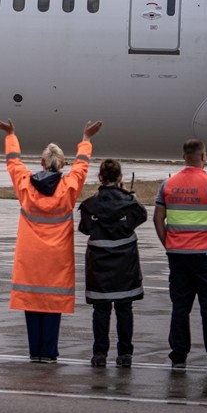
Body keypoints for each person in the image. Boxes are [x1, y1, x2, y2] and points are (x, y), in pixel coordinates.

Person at [0, 118, 101, 363]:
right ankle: (49, 351)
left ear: (42, 163)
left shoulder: (25, 184)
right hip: (57, 257)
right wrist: (86, 139)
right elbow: (81, 167)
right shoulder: (68, 187)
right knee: (53, 306)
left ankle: (35, 353)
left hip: (30, 256)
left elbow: (13, 162)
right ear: (62, 164)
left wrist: (11, 134)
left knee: (32, 304)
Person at [154, 138, 207, 372]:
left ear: (183, 157)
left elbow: (158, 218)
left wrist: (168, 243)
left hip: (178, 256)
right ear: (203, 157)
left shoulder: (168, 185)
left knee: (180, 308)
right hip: (206, 256)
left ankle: (178, 356)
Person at [77, 158, 147, 368]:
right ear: (120, 178)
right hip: (125, 266)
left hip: (99, 267)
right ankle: (125, 354)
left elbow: (85, 228)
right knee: (125, 309)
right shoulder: (130, 204)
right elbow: (141, 216)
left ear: (99, 178)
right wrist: (128, 195)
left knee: (101, 310)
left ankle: (100, 354)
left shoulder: (89, 206)